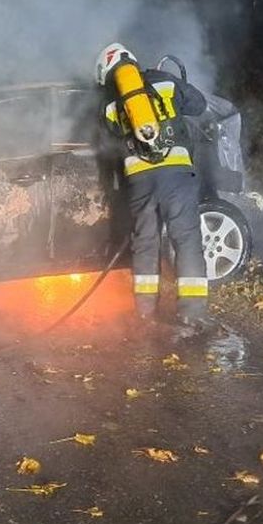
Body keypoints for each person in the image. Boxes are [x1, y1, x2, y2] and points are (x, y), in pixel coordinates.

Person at [94, 42, 209, 329]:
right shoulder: (165, 82)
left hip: (140, 180)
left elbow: (111, 143)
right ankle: (191, 313)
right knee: (186, 240)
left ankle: (145, 313)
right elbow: (199, 105)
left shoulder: (110, 104)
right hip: (176, 175)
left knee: (145, 243)